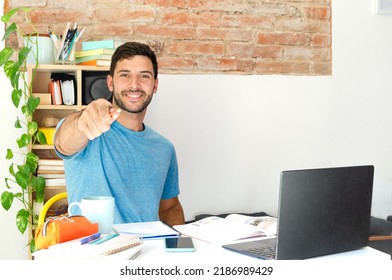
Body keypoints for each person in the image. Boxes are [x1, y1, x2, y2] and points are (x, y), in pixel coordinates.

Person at [54, 42, 185, 226]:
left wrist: (178, 247)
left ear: (155, 85)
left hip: (147, 250)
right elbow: (63, 143)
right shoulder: (88, 127)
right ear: (110, 83)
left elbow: (170, 208)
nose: (134, 85)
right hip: (93, 251)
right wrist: (82, 121)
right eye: (125, 75)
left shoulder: (165, 149)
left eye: (144, 76)